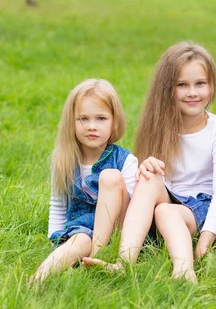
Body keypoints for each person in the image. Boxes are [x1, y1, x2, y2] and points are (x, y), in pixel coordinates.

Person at [84, 41, 216, 283]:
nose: (193, 92)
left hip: (199, 209)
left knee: (166, 210)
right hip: (165, 201)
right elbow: (148, 189)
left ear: (212, 85)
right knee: (150, 176)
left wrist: (207, 238)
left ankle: (184, 270)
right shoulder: (159, 125)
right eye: (182, 85)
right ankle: (124, 262)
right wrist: (144, 169)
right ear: (167, 88)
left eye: (200, 84)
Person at [31, 79, 137, 283]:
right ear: (72, 122)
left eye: (101, 118)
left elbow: (134, 209)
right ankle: (39, 277)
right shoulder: (64, 161)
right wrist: (54, 237)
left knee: (110, 176)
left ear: (114, 122)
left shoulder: (126, 161)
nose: (92, 126)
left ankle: (97, 256)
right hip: (82, 231)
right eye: (83, 119)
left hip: (118, 229)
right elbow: (58, 204)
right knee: (79, 240)